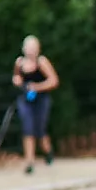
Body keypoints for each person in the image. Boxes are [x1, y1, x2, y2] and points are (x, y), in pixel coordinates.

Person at [11, 35, 60, 171]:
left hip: (41, 99)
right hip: (25, 99)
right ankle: (29, 161)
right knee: (28, 127)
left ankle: (47, 151)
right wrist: (17, 81)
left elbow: (53, 81)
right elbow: (17, 76)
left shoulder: (42, 62)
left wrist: (37, 87)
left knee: (39, 128)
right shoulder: (19, 63)